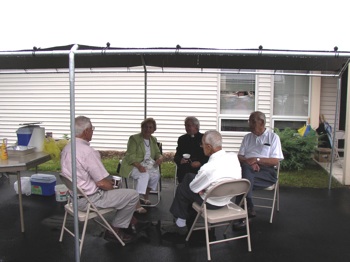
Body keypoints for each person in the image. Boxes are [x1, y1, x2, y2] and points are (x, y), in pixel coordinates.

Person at [60, 116, 147, 244]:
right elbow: (102, 183)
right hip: (89, 200)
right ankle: (114, 231)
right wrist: (113, 187)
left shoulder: (67, 148)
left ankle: (132, 221)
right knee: (132, 195)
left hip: (74, 197)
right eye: (92, 129)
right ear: (86, 131)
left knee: (121, 193)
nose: (93, 131)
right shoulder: (87, 151)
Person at [162, 130, 242, 235]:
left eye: (202, 144)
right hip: (227, 198)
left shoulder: (208, 168)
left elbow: (193, 188)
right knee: (189, 177)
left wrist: (203, 189)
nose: (201, 146)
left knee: (183, 187)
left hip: (212, 202)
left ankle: (180, 223)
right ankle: (179, 219)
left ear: (208, 146)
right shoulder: (233, 157)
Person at [235, 111, 284, 220]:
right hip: (248, 169)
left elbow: (275, 161)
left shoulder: (273, 137)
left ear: (261, 122)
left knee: (241, 183)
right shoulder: (247, 137)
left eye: (252, 121)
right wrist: (250, 163)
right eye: (249, 121)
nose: (249, 124)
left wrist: (256, 160)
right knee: (245, 176)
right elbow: (239, 157)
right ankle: (247, 208)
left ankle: (243, 211)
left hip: (266, 173)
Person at [120, 118, 163, 205]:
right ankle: (136, 202)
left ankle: (146, 196)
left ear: (154, 130)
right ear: (142, 128)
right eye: (145, 127)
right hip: (133, 165)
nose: (148, 129)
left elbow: (157, 153)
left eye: (150, 127)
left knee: (155, 175)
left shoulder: (153, 139)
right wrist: (139, 166)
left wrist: (160, 158)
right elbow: (130, 155)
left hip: (148, 164)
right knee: (144, 175)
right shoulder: (134, 139)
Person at [173, 116, 209, 183]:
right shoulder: (182, 139)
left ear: (196, 126)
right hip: (186, 167)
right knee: (184, 171)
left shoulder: (204, 138)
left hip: (200, 166)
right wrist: (180, 160)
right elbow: (176, 156)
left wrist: (200, 163)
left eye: (189, 126)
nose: (187, 128)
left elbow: (209, 156)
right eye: (186, 126)